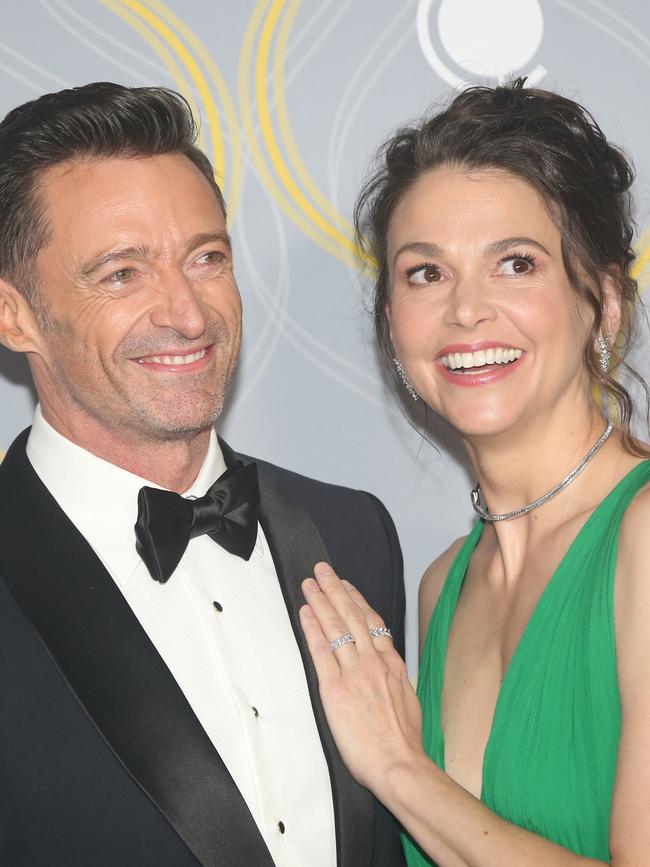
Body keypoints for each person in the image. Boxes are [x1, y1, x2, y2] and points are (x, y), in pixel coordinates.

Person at [0, 83, 406, 867]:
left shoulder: (353, 534)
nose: (188, 314)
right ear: (16, 316)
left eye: (207, 257)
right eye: (122, 274)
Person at [299, 80, 650, 865]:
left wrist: (399, 767)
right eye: (425, 273)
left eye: (516, 264)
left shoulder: (644, 536)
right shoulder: (441, 583)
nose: (466, 310)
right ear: (392, 325)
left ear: (602, 303)